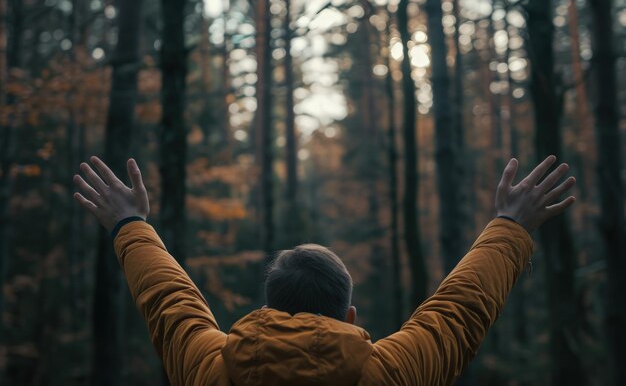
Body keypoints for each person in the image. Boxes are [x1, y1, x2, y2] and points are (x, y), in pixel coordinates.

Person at [73, 155, 576, 386]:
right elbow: (459, 313)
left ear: (268, 309)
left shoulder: (213, 367)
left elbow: (168, 301)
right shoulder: (388, 372)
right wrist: (511, 224)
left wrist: (129, 223)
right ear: (350, 317)